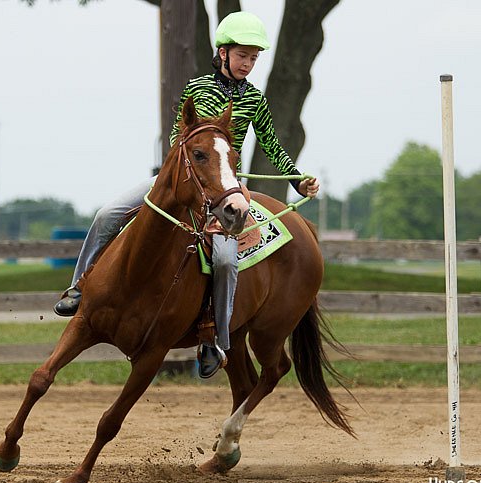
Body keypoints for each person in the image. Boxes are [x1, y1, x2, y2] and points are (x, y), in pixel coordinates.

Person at [54, 11, 319, 378]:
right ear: (223, 53)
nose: (248, 63)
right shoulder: (196, 89)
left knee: (226, 260)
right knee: (107, 213)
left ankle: (216, 342)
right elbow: (183, 140)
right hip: (181, 179)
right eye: (243, 54)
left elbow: (272, 144)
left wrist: (297, 180)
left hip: (226, 191)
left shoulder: (255, 100)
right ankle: (78, 287)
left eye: (254, 57)